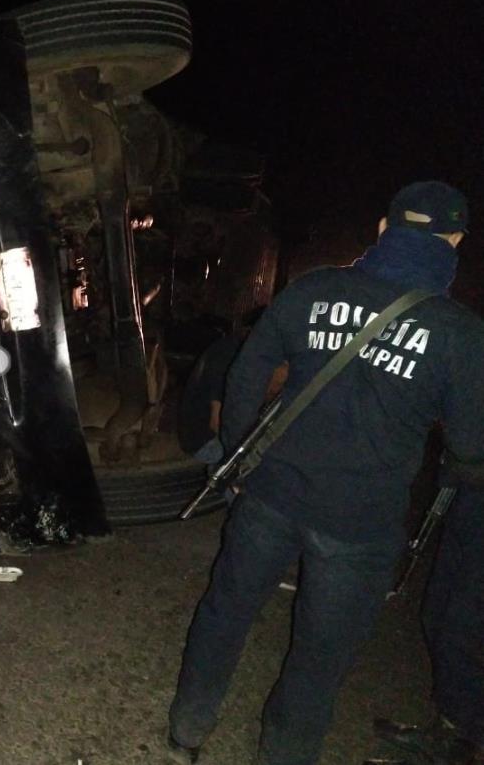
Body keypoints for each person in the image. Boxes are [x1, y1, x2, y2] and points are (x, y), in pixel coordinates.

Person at [165, 181, 484, 765]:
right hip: (361, 524)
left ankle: (187, 729)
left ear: (385, 230)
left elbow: (248, 370)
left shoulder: (314, 288)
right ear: (456, 241)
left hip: (270, 491)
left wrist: (238, 454)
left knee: (227, 609)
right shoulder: (461, 334)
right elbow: (471, 445)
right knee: (320, 655)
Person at [366, 483, 484, 765]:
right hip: (471, 494)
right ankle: (450, 730)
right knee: (436, 615)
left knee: (459, 630)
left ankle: (461, 742)